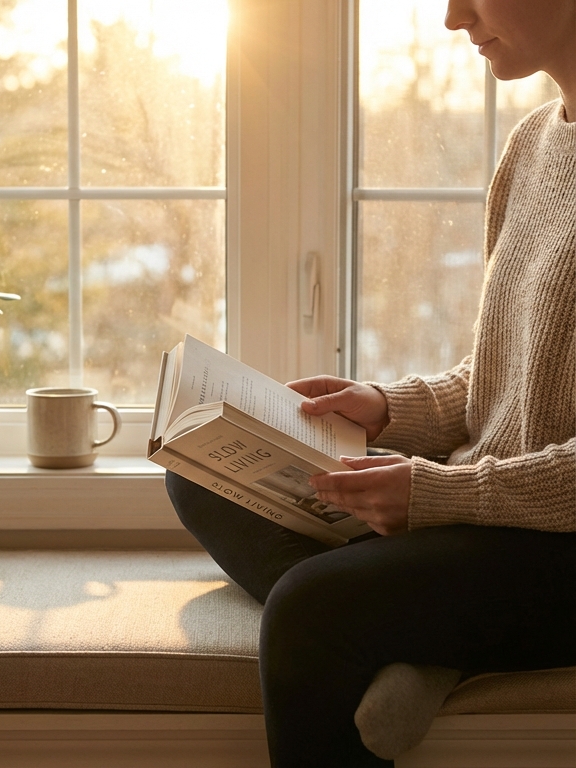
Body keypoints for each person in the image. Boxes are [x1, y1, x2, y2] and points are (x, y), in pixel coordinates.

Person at [165, 1, 576, 766]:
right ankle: (422, 636)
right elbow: (504, 375)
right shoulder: (534, 143)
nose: (453, 17)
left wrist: (437, 496)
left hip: (559, 547)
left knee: (309, 609)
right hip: (490, 511)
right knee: (201, 474)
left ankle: (405, 627)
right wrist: (386, 409)